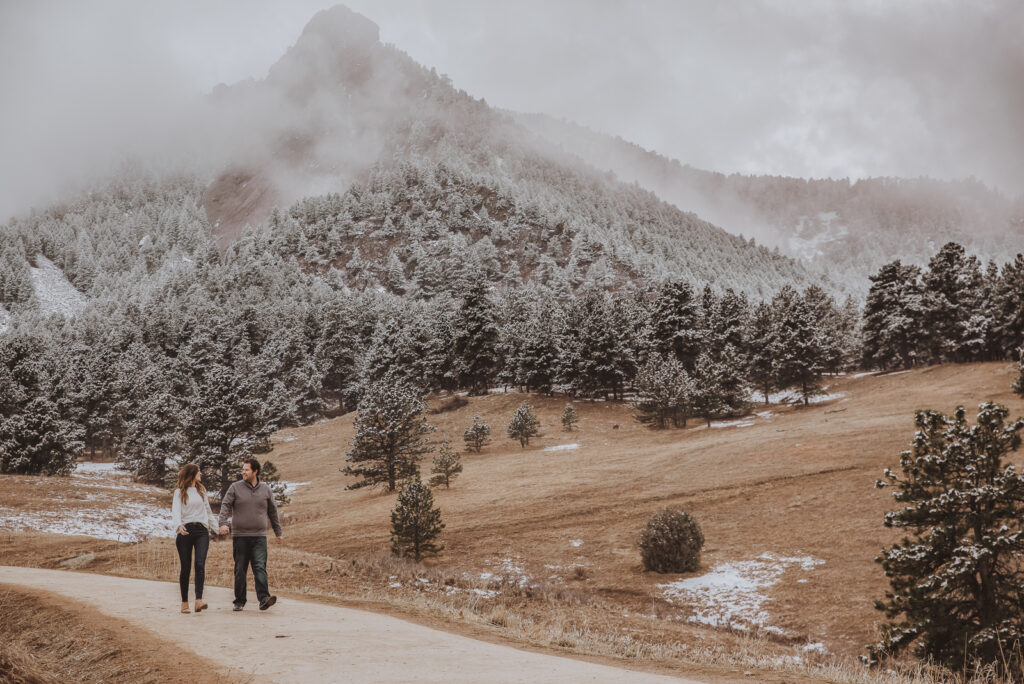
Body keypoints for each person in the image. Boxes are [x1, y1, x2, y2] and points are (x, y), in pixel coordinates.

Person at [218, 457, 283, 611]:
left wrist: (278, 532)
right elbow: (225, 505)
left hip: (259, 537)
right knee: (240, 569)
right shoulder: (235, 487)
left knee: (260, 567)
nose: (243, 472)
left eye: (246, 470)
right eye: (243, 469)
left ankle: (264, 599)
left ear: (255, 471)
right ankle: (239, 601)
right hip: (240, 536)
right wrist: (223, 523)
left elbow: (273, 512)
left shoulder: (266, 489)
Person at [171, 464, 219, 614]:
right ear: (192, 474)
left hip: (201, 531)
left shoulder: (201, 491)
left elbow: (208, 512)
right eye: (199, 472)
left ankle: (198, 600)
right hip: (185, 531)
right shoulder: (179, 492)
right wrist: (178, 526)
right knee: (186, 567)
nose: (201, 474)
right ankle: (184, 603)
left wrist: (217, 529)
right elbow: (176, 511)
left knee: (199, 564)